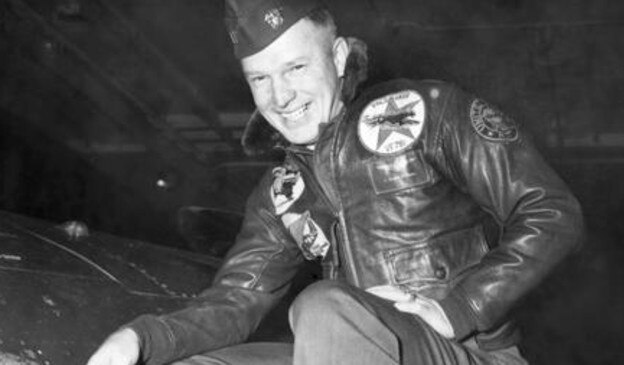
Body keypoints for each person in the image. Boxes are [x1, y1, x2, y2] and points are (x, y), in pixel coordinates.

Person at [86, 0, 583, 364]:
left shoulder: (427, 110)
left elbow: (551, 211)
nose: (280, 96)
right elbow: (234, 301)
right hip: (348, 350)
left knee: (321, 309)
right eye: (259, 79)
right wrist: (141, 339)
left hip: (465, 353)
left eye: (296, 67)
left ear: (340, 57)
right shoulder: (279, 192)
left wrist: (462, 306)